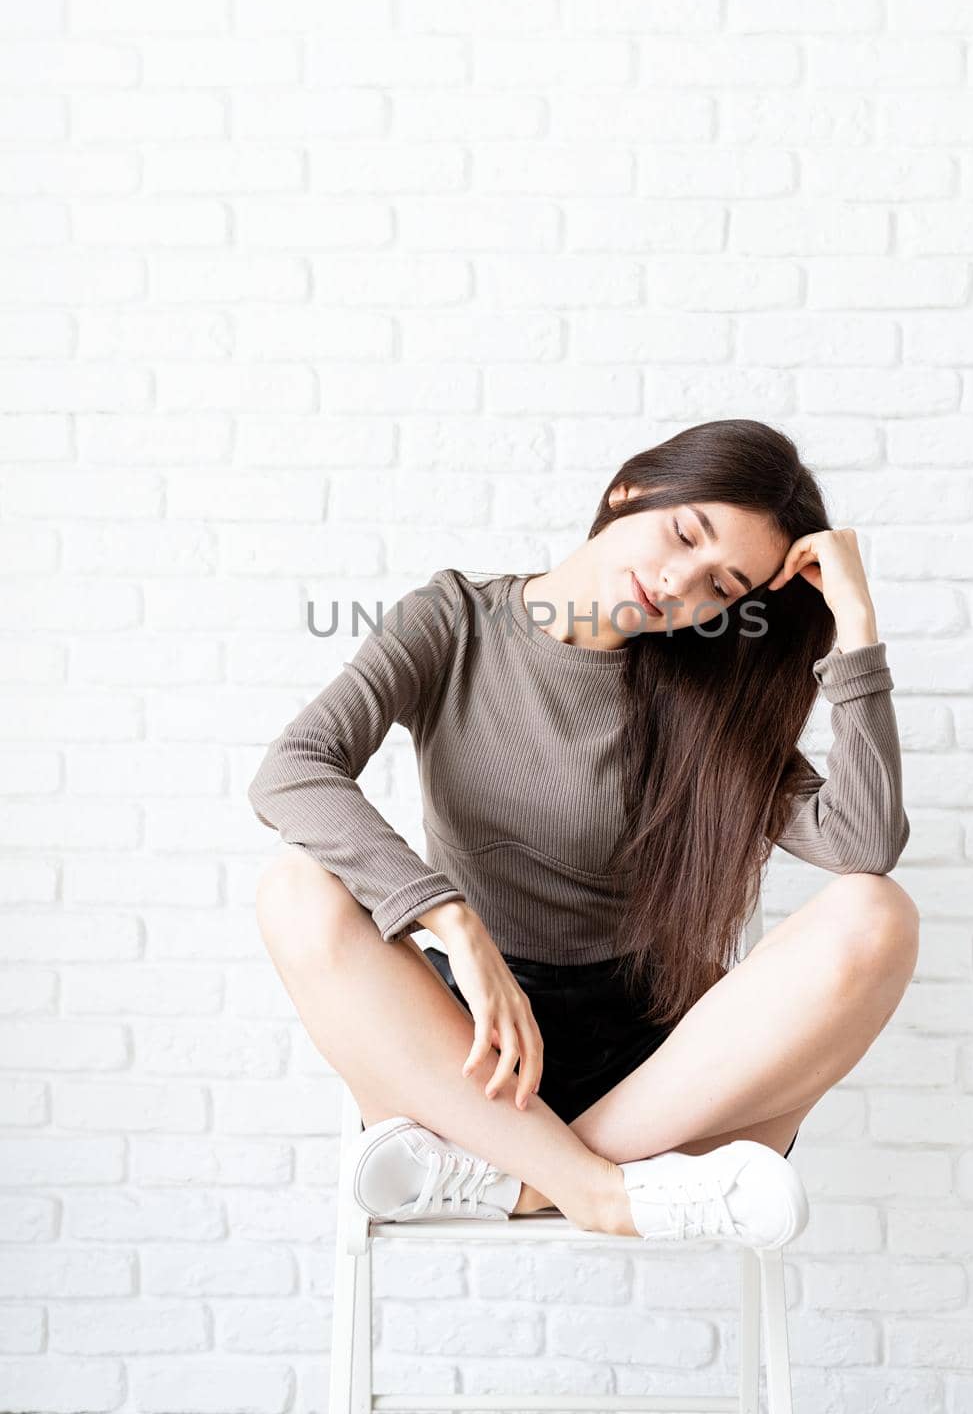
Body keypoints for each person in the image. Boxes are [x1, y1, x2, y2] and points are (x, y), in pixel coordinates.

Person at [249, 418, 918, 1247]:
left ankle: (533, 1183)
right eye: (684, 533)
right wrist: (452, 923)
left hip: (653, 1078)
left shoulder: (708, 699)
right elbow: (294, 768)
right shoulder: (452, 621)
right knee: (295, 886)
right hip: (472, 1055)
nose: (680, 583)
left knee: (879, 915)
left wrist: (855, 623)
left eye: (720, 586)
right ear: (631, 489)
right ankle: (603, 1193)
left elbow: (863, 844)